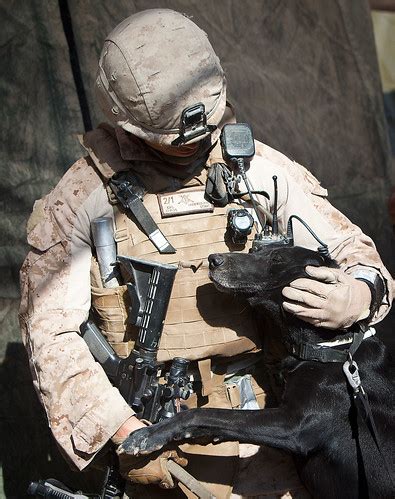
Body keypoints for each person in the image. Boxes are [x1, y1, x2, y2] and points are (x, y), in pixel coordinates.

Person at [19, 8, 393, 499]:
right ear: (127, 123)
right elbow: (52, 335)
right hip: (160, 438)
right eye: (180, 140)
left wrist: (358, 293)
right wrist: (122, 431)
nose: (198, 144)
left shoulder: (255, 168)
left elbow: (354, 252)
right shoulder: (84, 197)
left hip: (270, 436)